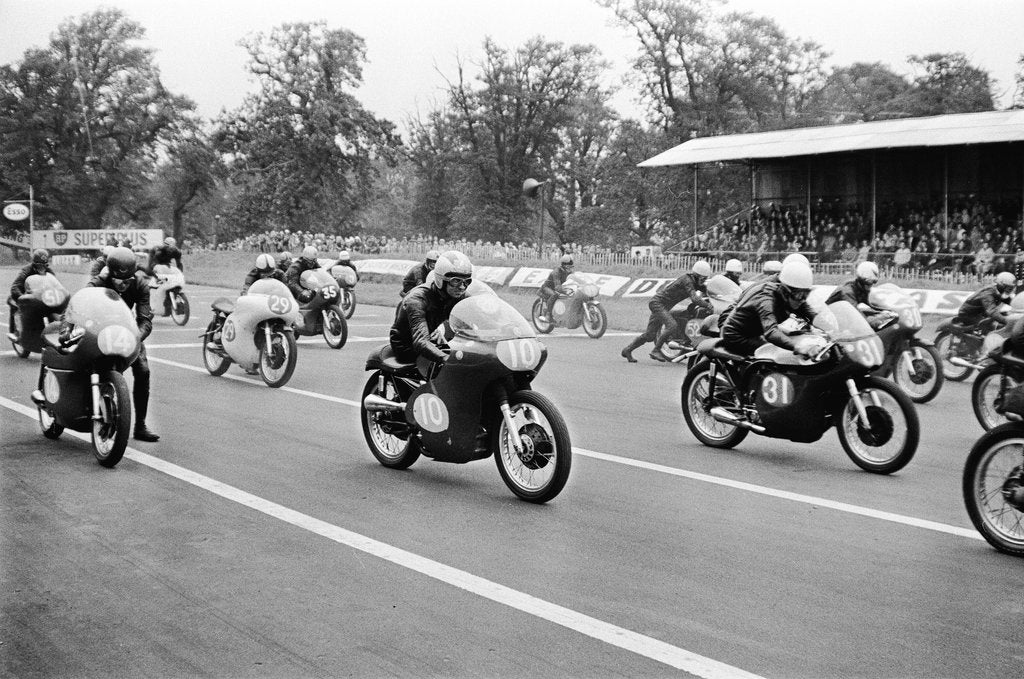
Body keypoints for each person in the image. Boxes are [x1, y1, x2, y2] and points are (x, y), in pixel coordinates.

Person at [88, 247, 159, 442]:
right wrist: (64, 328)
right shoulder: (98, 282)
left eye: (128, 280)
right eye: (119, 279)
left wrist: (135, 337)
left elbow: (145, 320)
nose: (124, 284)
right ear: (110, 272)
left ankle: (140, 426)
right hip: (98, 328)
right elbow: (78, 304)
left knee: (143, 370)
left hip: (127, 331)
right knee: (86, 362)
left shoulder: (141, 285)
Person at [719, 257, 818, 358]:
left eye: (806, 294)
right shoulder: (766, 296)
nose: (802, 300)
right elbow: (770, 332)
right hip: (737, 335)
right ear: (786, 290)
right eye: (799, 295)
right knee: (777, 353)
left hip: (755, 331)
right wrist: (798, 347)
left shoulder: (792, 294)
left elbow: (811, 314)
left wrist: (831, 331)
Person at [620, 260, 713, 363]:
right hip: (658, 303)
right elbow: (695, 299)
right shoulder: (687, 280)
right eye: (703, 278)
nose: (704, 281)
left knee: (650, 335)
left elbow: (709, 291)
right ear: (696, 275)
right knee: (672, 325)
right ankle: (656, 350)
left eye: (705, 279)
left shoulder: (695, 282)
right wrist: (708, 305)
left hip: (664, 306)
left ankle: (627, 350)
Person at [390, 250, 472, 364]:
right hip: (407, 346)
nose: (462, 287)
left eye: (467, 281)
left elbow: (476, 322)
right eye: (456, 281)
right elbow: (421, 342)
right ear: (440, 279)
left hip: (434, 340)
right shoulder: (417, 299)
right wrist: (448, 360)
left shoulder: (460, 296)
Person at [8, 248, 58, 334]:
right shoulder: (26, 271)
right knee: (13, 303)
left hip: (41, 298)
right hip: (25, 296)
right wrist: (22, 298)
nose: (42, 268)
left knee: (54, 311)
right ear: (34, 264)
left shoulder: (49, 272)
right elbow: (15, 287)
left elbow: (56, 286)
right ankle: (14, 332)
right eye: (39, 265)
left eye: (44, 265)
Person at [148, 237, 184, 316]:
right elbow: (154, 265)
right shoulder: (158, 251)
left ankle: (170, 298)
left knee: (172, 272)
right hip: (155, 261)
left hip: (166, 262)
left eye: (172, 248)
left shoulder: (177, 252)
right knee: (158, 271)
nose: (170, 250)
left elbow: (179, 264)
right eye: (168, 248)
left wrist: (180, 275)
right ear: (165, 246)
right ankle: (152, 299)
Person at [538, 254, 575, 319]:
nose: (570, 269)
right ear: (564, 266)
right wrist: (566, 291)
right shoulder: (556, 272)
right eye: (568, 267)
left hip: (557, 288)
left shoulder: (570, 272)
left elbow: (575, 280)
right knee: (554, 295)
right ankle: (548, 314)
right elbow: (557, 287)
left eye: (571, 267)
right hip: (547, 288)